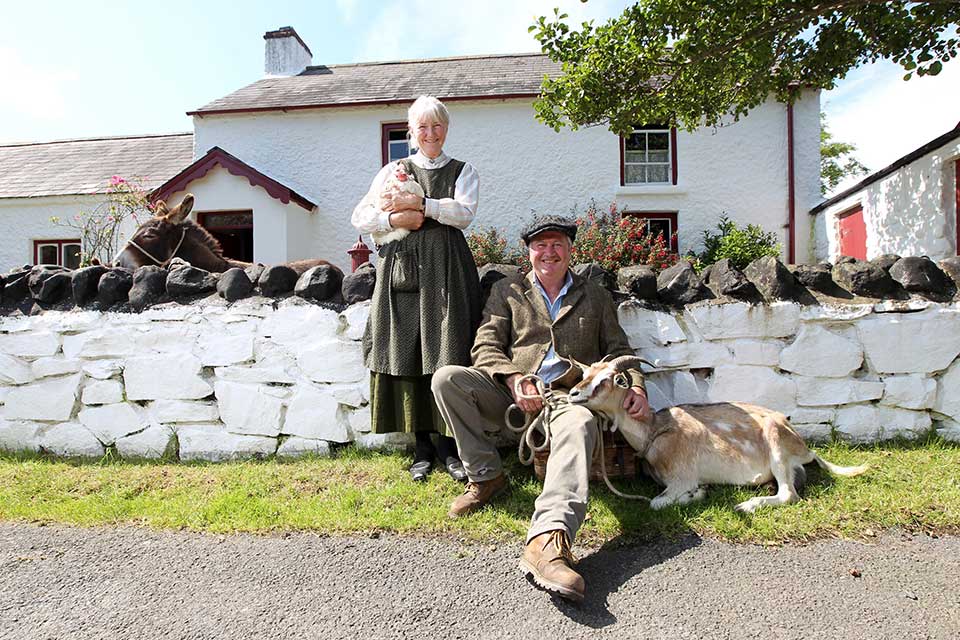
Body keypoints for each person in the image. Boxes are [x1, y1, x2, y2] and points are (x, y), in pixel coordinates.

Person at [431, 215, 651, 603]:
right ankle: (486, 477)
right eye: (540, 245)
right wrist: (515, 379)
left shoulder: (595, 294)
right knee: (447, 379)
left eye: (557, 244)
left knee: (582, 421)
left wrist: (635, 386)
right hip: (513, 393)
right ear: (529, 251)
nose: (548, 252)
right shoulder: (507, 290)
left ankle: (548, 539)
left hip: (567, 396)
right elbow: (485, 347)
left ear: (570, 250)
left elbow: (619, 350)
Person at [352, 95, 482, 483]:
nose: (430, 133)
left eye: (437, 125)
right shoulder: (394, 170)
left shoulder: (463, 170)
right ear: (411, 131)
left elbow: (464, 214)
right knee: (409, 352)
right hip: (404, 271)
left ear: (447, 129)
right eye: (422, 127)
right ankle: (421, 449)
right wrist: (394, 215)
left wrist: (422, 203)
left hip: (447, 272)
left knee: (446, 351)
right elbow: (360, 217)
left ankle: (450, 449)